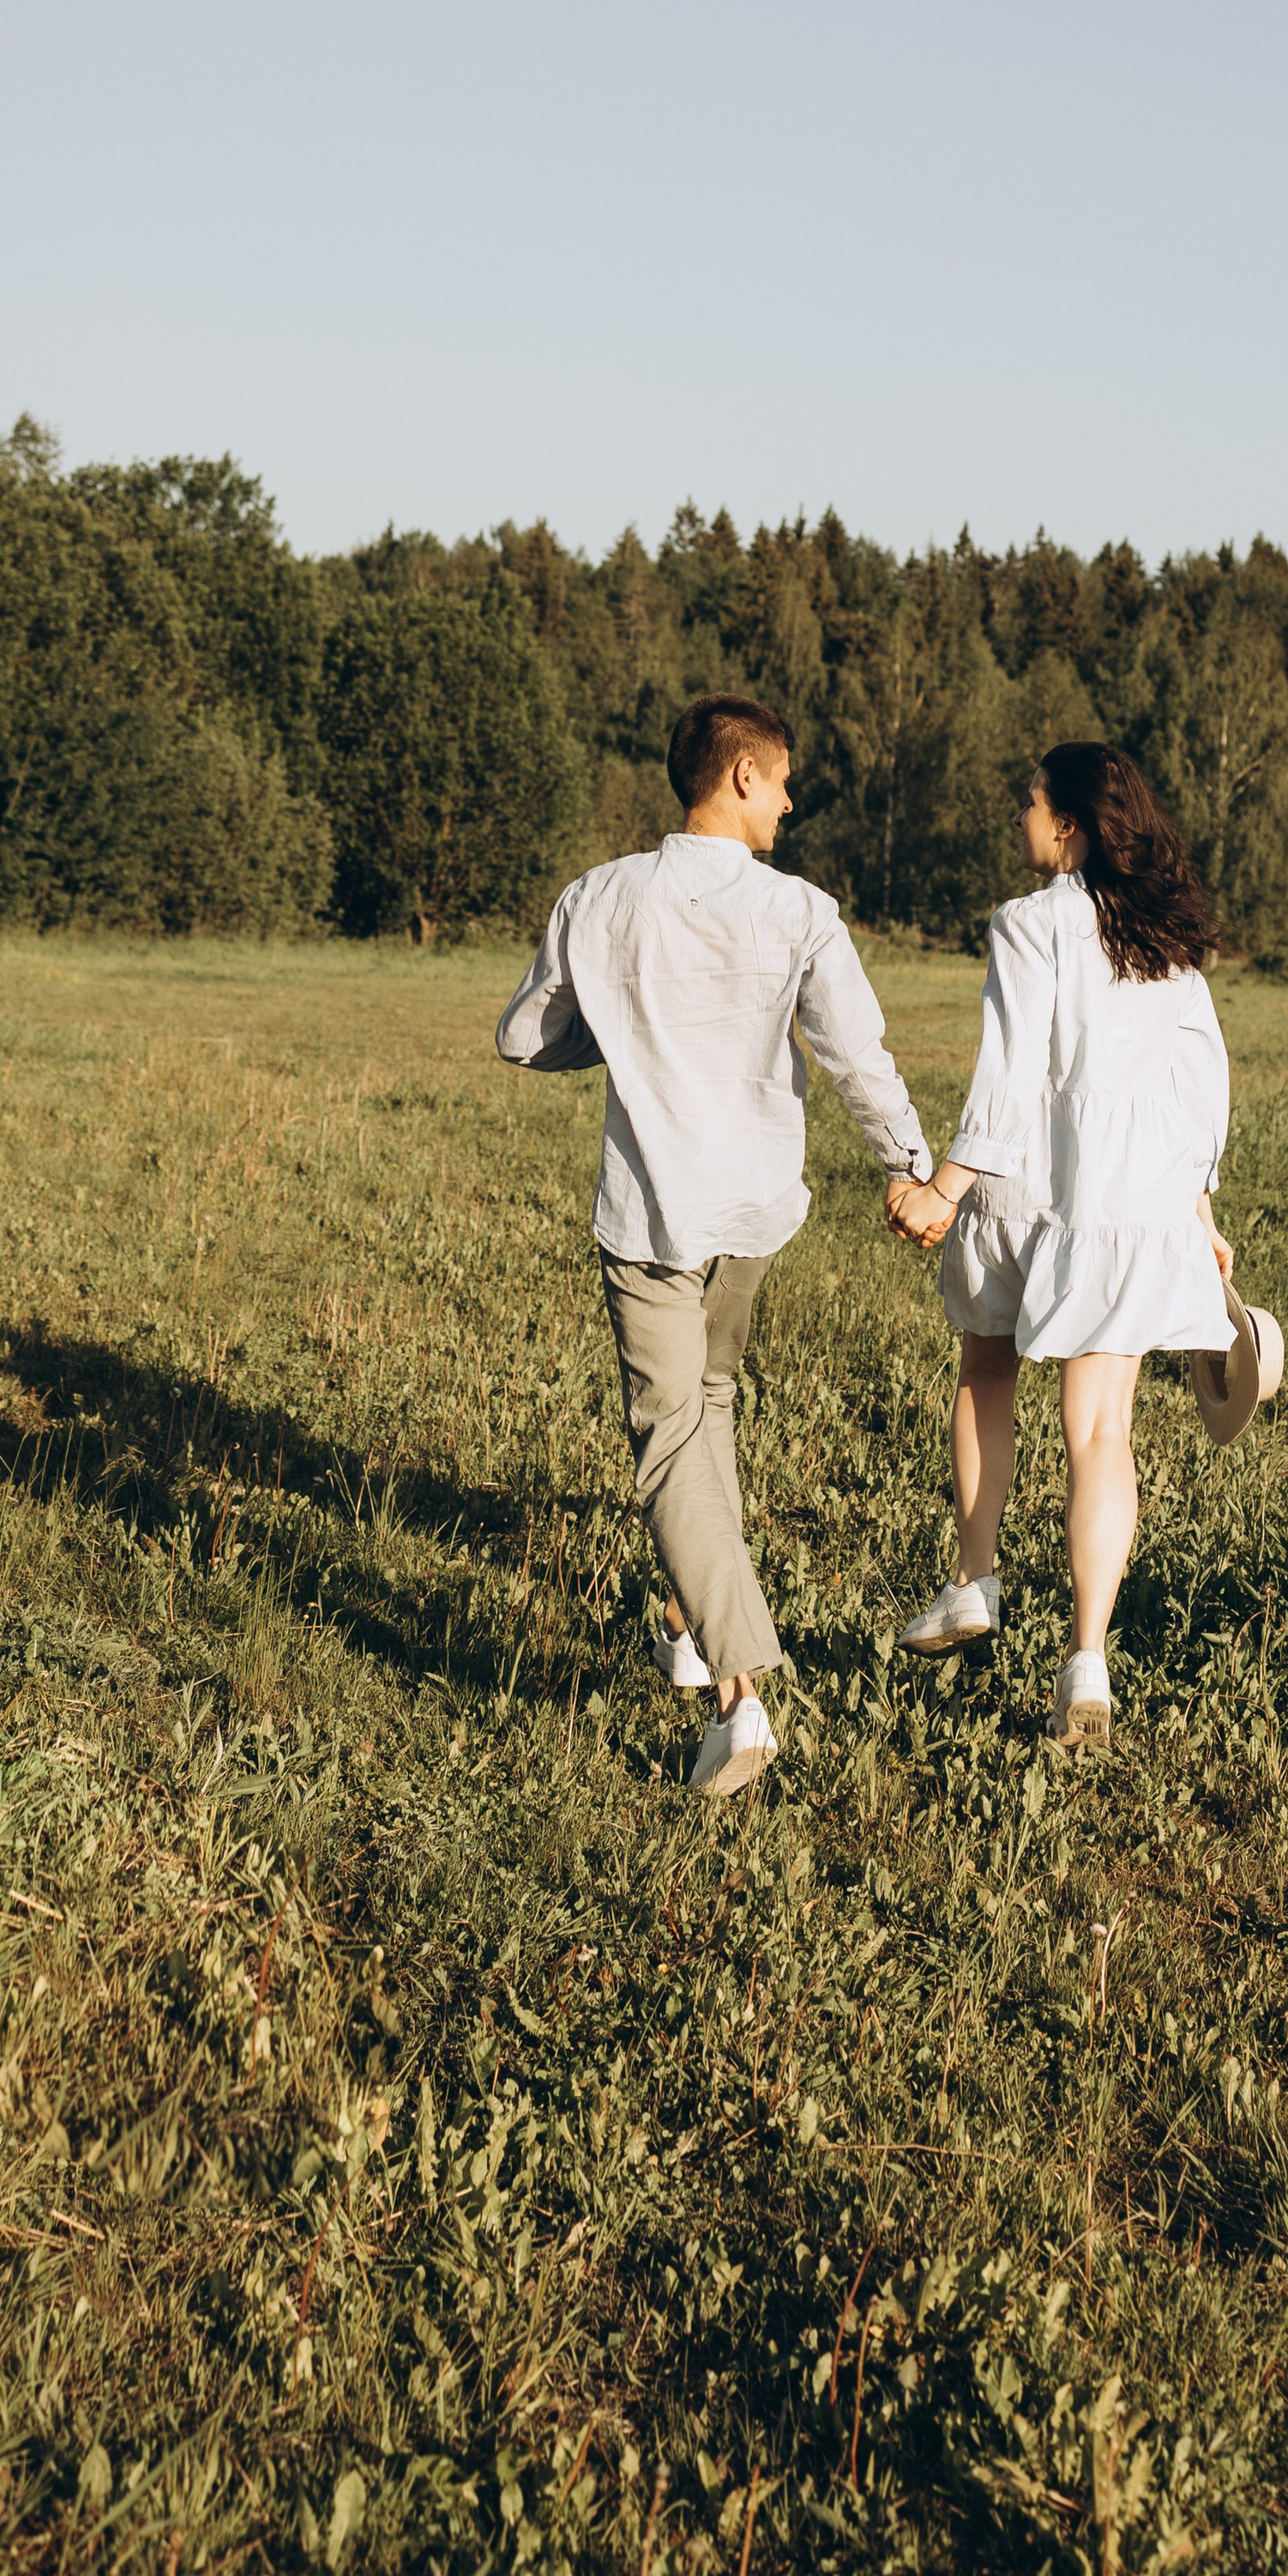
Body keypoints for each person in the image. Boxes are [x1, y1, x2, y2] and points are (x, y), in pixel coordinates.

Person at [497, 695, 935, 1793]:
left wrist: (621, 1037)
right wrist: (907, 1162)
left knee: (669, 1435)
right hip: (749, 1212)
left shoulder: (598, 897)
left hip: (652, 1210)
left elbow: (522, 1037)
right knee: (711, 1412)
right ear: (739, 776)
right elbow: (856, 1054)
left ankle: (740, 1693)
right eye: (782, 780)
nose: (789, 800)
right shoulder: (800, 912)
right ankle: (693, 1631)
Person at [887, 743, 1234, 1751]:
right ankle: (1087, 1657)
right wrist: (1200, 1208)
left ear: (1069, 824)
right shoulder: (1169, 933)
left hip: (1028, 1185)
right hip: (1133, 1203)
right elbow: (1201, 1080)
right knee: (1100, 1428)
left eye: (1030, 802)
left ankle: (973, 1580)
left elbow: (1007, 1075)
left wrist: (942, 1190)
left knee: (985, 1369)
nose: (1019, 815)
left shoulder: (1029, 924)